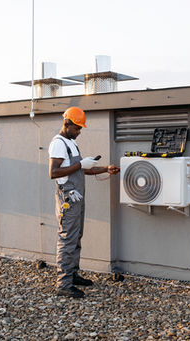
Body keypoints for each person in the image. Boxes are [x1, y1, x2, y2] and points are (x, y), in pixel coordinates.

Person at [48, 107, 120, 298]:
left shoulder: (71, 143)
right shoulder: (58, 143)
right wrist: (80, 164)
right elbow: (53, 172)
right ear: (67, 123)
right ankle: (63, 284)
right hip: (68, 198)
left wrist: (105, 168)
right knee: (67, 239)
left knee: (76, 236)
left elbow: (79, 170)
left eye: (80, 128)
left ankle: (72, 275)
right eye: (77, 128)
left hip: (77, 197)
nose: (79, 132)